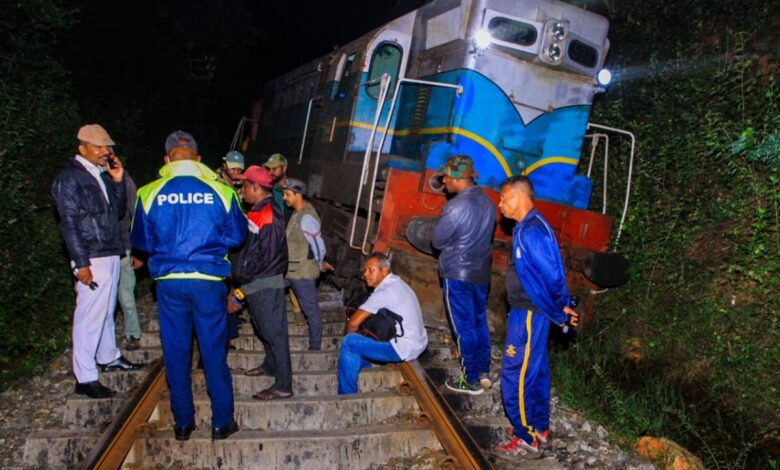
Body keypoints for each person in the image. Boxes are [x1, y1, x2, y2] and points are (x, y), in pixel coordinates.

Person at [131, 131, 247, 441]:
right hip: (208, 282)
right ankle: (222, 423)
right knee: (213, 352)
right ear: (197, 158)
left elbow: (140, 241)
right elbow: (237, 236)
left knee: (176, 352)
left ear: (167, 159)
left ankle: (183, 424)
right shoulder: (222, 191)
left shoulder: (148, 193)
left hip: (169, 283)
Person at [51, 124, 143, 399]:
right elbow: (68, 223)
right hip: (92, 253)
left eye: (108, 147)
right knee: (89, 314)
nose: (106, 152)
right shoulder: (70, 179)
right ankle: (85, 376)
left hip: (109, 249)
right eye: (99, 147)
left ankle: (109, 355)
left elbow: (114, 213)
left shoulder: (98, 174)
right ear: (82, 148)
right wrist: (80, 261)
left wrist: (116, 181)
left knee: (105, 310)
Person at [494, 175, 579, 460]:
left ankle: (524, 435)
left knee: (514, 373)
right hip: (533, 311)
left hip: (530, 313)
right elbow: (549, 272)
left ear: (519, 197)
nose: (501, 203)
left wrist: (560, 308)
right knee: (537, 369)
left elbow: (553, 274)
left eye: (504, 198)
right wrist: (559, 308)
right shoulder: (528, 226)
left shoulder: (531, 230)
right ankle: (539, 426)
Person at [431, 154, 496, 395]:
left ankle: (469, 380)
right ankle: (483, 372)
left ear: (457, 178)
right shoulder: (488, 203)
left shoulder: (456, 206)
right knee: (480, 323)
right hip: (481, 274)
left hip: (457, 273)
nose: (444, 181)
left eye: (446, 176)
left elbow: (437, 240)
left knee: (463, 327)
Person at [231, 165, 293, 400]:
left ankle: (284, 385)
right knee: (264, 328)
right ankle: (270, 365)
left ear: (255, 187)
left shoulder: (267, 214)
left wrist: (241, 288)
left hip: (264, 283)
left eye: (245, 185)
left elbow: (263, 258)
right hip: (258, 282)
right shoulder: (260, 210)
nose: (242, 189)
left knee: (275, 335)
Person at [337, 253, 428, 394]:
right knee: (357, 345)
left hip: (403, 348)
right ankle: (365, 362)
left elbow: (354, 322)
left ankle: (346, 394)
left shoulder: (386, 291)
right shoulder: (399, 284)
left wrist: (349, 339)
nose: (365, 274)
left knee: (349, 343)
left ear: (384, 270)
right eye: (365, 270)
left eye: (370, 270)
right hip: (418, 342)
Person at [282, 178, 332, 351]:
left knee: (311, 310)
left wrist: (318, 264)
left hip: (302, 272)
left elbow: (319, 245)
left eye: (288, 194)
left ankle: (315, 346)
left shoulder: (306, 217)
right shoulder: (297, 213)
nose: (284, 198)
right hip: (291, 270)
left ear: (298, 195)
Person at [117, 171, 144, 350]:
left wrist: (139, 250)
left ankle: (133, 333)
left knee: (125, 293)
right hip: (97, 251)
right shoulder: (86, 178)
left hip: (123, 244)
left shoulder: (124, 179)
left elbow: (136, 214)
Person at [263, 153, 289, 220]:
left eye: (274, 169)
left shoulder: (293, 191)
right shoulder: (266, 189)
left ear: (284, 169)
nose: (270, 172)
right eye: (269, 169)